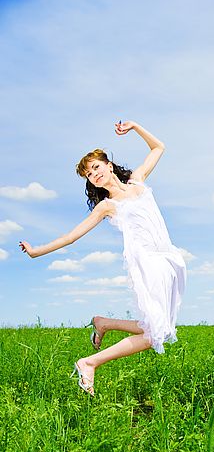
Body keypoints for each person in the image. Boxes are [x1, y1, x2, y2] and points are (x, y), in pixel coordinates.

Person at [20, 120, 186, 395]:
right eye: (88, 173)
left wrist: (134, 127)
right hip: (146, 263)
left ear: (109, 165)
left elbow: (159, 147)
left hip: (168, 258)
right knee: (155, 334)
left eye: (96, 167)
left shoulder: (138, 181)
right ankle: (89, 363)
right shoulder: (106, 206)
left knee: (162, 329)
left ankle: (104, 323)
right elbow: (71, 237)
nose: (93, 174)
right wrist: (37, 252)